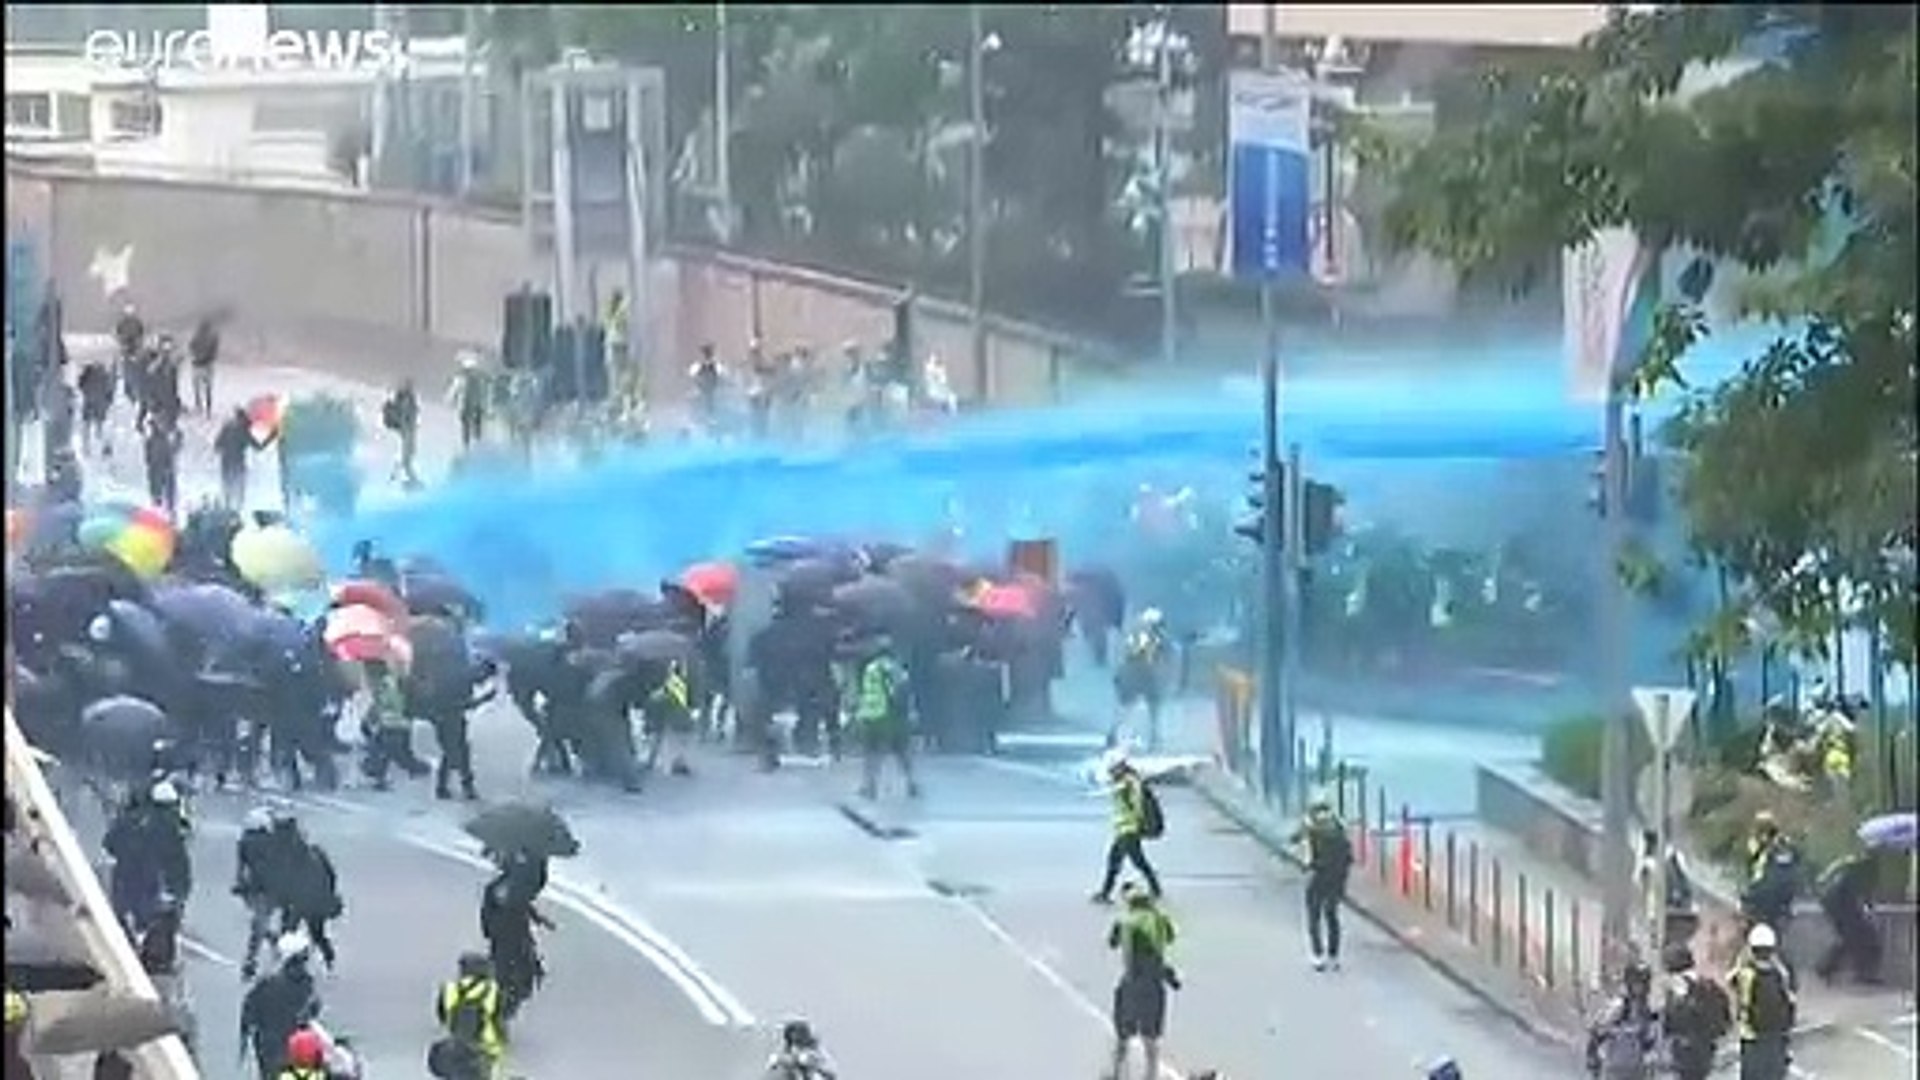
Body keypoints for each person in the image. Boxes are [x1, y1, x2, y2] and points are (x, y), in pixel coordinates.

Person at [1106, 881, 1179, 1080]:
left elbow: (1113, 943)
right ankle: (1150, 1075)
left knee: (1123, 1033)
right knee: (1151, 1037)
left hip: (1132, 982)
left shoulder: (1126, 921)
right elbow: (1170, 938)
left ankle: (1117, 1073)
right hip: (1155, 983)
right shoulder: (1160, 919)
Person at [240, 932, 322, 1080]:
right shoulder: (306, 985)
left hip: (269, 1045)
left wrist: (246, 1037)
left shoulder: (266, 984)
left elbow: (249, 1014)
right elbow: (313, 1010)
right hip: (287, 1046)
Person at [849, 638, 917, 800]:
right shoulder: (896, 669)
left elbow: (864, 694)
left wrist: (857, 713)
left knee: (872, 753)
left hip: (872, 716)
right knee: (902, 752)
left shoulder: (870, 668)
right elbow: (904, 691)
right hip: (892, 716)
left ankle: (869, 786)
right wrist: (910, 712)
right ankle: (911, 783)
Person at [480, 865, 552, 1020]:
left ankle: (499, 1009)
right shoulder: (503, 889)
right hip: (508, 936)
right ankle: (496, 1011)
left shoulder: (501, 888)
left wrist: (538, 918)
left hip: (510, 936)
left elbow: (519, 903)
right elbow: (514, 904)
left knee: (515, 974)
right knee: (511, 974)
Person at [1290, 797, 1354, 970]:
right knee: (1332, 915)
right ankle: (1334, 956)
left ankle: (1318, 955)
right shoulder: (1339, 828)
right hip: (1337, 878)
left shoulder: (1311, 828)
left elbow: (1293, 839)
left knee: (1314, 916)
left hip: (1317, 875)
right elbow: (1349, 857)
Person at [1731, 923, 1797, 1080]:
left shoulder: (1746, 972)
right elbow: (1791, 997)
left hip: (1751, 1035)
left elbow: (1731, 981)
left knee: (1752, 1073)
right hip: (1777, 1035)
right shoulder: (1782, 972)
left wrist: (1741, 959)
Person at [1093, 753, 1163, 903]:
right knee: (1118, 860)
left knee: (1136, 861)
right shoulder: (1122, 781)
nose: (1110, 772)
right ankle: (1105, 893)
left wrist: (1140, 824)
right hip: (1123, 828)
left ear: (1120, 767)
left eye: (1113, 769)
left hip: (1129, 829)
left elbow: (1138, 805)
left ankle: (1106, 893)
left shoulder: (1130, 782)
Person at [1661, 943, 1731, 1080]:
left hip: (1686, 1048)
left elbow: (1675, 1017)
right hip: (1706, 1047)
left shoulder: (1678, 983)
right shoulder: (1707, 983)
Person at [432, 952, 505, 1080]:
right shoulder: (491, 989)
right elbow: (498, 1017)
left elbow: (442, 1016)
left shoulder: (450, 988)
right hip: (485, 1046)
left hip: (458, 1044)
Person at [1813, 848, 1881, 985]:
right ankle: (1828, 968)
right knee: (1857, 938)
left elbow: (1826, 880)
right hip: (1842, 907)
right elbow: (1861, 892)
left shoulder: (1850, 863)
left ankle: (1827, 968)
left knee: (1849, 939)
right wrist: (1868, 908)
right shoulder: (1863, 869)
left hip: (1835, 905)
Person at [1584, 960, 1659, 1079]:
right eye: (1637, 983)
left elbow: (1650, 1041)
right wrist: (1593, 1060)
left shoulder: (1647, 1010)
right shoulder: (1619, 1006)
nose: (1640, 988)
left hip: (1638, 1071)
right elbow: (1597, 1031)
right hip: (1616, 1069)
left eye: (1644, 983)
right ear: (1629, 983)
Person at [360, 658, 426, 790]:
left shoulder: (385, 685)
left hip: (393, 725)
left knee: (389, 753)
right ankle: (378, 772)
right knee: (388, 751)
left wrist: (368, 719)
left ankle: (379, 773)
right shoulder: (388, 682)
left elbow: (382, 706)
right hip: (399, 725)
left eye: (367, 674)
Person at [1112, 609, 1170, 751]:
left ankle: (1116, 736)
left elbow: (1123, 654)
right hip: (1145, 675)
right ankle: (1154, 739)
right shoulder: (1154, 636)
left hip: (1134, 674)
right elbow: (1163, 655)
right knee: (1151, 709)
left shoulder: (1133, 634)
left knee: (1128, 708)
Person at [1740, 812, 1801, 937]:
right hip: (1768, 887)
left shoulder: (1777, 842)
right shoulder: (1758, 842)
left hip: (1772, 888)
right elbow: (1753, 858)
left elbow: (1795, 855)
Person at [643, 659, 696, 777]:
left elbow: (661, 696)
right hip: (678, 714)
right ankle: (679, 761)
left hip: (671, 714)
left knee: (665, 738)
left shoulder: (673, 681)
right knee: (677, 740)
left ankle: (660, 761)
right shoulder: (682, 679)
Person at [215, 405, 263, 509]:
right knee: (239, 486)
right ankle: (238, 507)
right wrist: (272, 436)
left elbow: (217, 446)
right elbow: (258, 447)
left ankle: (227, 506)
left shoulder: (227, 427)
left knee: (227, 484)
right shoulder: (244, 430)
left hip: (226, 462)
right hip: (238, 463)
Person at [140, 411, 183, 516]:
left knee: (164, 498)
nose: (161, 426)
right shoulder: (156, 441)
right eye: (158, 424)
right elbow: (149, 458)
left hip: (163, 472)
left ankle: (167, 514)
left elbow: (148, 458)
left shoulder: (154, 441)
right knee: (163, 498)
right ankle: (166, 514)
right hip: (161, 472)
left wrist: (178, 440)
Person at [765, 1018, 837, 1079]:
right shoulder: (783, 1052)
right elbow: (772, 1065)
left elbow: (829, 1071)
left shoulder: (817, 1053)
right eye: (792, 1041)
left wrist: (810, 1063)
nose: (796, 1045)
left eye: (798, 1041)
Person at [382, 379, 421, 487]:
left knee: (405, 456)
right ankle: (407, 480)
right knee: (406, 458)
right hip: (407, 430)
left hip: (406, 429)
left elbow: (409, 415)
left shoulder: (405, 398)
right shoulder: (407, 398)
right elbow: (408, 415)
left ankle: (396, 478)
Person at [449, 353, 489, 450]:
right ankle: (471, 443)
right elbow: (455, 389)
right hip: (470, 405)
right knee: (470, 425)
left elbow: (455, 389)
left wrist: (451, 399)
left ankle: (472, 443)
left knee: (470, 425)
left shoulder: (465, 378)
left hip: (470, 405)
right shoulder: (470, 378)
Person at [77, 355, 115, 457]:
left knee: (87, 426)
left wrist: (86, 392)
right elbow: (110, 391)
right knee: (100, 426)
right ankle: (105, 446)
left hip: (89, 401)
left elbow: (80, 384)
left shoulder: (88, 371)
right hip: (100, 403)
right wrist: (107, 402)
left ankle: (86, 449)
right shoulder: (104, 374)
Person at [188, 315, 220, 416]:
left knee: (196, 388)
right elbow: (214, 351)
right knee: (208, 389)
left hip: (196, 365)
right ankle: (208, 409)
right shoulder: (213, 337)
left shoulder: (196, 337)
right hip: (207, 365)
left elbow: (191, 347)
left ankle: (199, 406)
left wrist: (195, 356)